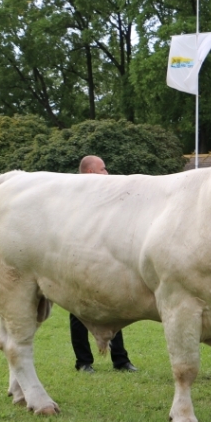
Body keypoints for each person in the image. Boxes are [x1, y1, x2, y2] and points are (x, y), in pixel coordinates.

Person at [69, 155, 138, 373]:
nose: (107, 173)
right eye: (103, 169)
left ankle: (121, 360)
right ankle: (83, 362)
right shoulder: (73, 195)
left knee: (114, 306)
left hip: (106, 258)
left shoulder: (106, 195)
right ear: (90, 173)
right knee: (78, 310)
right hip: (79, 258)